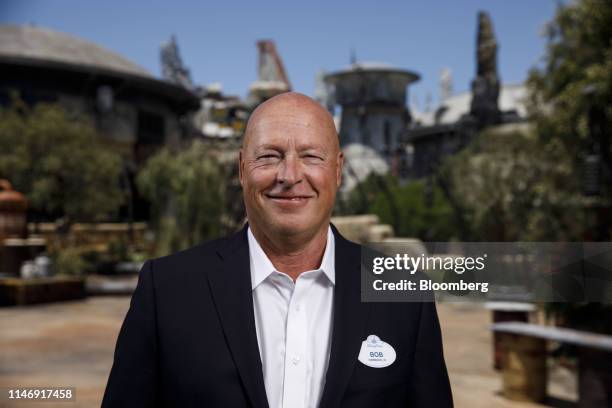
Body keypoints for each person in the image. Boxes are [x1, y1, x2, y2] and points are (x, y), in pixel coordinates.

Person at [102, 92, 453, 407]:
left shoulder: (405, 296)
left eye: (311, 156)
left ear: (338, 170)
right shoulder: (167, 290)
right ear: (242, 169)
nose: (289, 174)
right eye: (269, 156)